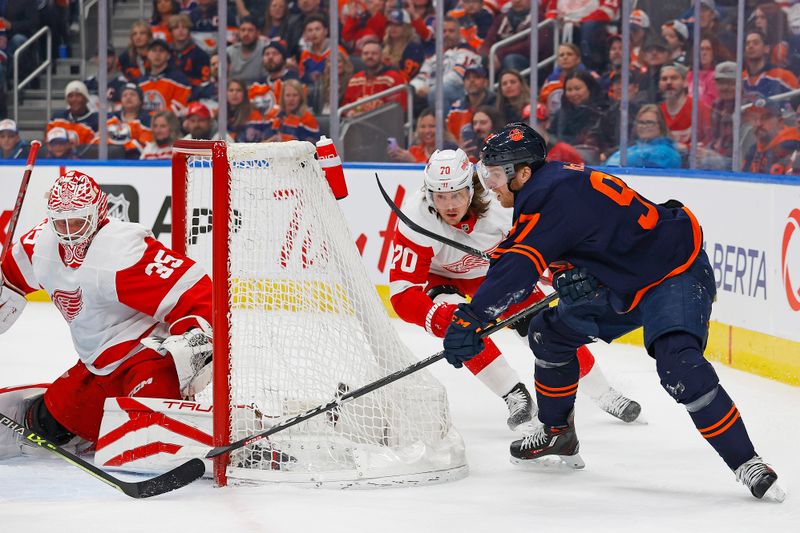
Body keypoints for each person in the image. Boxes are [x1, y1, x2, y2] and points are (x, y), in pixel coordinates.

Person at [441, 121, 785, 502]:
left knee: (679, 365)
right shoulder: (550, 185)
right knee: (548, 333)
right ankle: (558, 434)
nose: (488, 183)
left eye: (495, 174)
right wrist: (574, 270)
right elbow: (584, 235)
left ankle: (747, 462)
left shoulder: (547, 197)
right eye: (484, 173)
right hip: (623, 281)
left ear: (523, 172)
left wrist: (473, 317)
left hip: (674, 272)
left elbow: (519, 268)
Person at [390, 148, 642, 429]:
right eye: (441, 196)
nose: (449, 205)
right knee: (461, 328)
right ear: (428, 193)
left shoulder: (499, 201)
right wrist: (441, 320)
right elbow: (402, 294)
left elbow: (544, 241)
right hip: (441, 279)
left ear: (471, 188)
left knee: (540, 325)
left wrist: (563, 271)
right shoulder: (416, 217)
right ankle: (514, 395)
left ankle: (605, 393)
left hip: (496, 271)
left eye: (457, 195)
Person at [0, 171, 213, 456]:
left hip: (148, 358)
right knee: (45, 427)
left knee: (148, 441)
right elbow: (11, 277)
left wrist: (195, 335)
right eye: (60, 222)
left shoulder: (122, 251)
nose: (68, 232)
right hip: (97, 366)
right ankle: (102, 429)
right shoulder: (40, 245)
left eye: (77, 221)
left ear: (98, 213)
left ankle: (231, 429)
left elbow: (194, 288)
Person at [341, 41, 406, 116]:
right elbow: (346, 106)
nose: (369, 56)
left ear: (382, 57)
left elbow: (398, 109)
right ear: (361, 57)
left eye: (374, 53)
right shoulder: (355, 80)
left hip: (384, 124)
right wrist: (350, 113)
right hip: (357, 124)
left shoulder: (393, 78)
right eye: (366, 53)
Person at [605, 105, 681, 169]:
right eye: (641, 122)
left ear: (660, 125)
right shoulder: (631, 148)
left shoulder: (667, 152)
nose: (644, 126)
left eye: (649, 122)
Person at [136, 39, 193, 116]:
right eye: (154, 50)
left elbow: (179, 107)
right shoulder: (140, 82)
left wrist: (152, 116)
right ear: (148, 54)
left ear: (168, 56)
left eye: (161, 51)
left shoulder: (179, 80)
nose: (157, 54)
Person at [742, 99, 800, 175]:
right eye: (754, 118)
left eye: (765, 118)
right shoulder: (753, 149)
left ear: (780, 122)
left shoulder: (791, 145)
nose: (758, 124)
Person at [446, 65, 496, 144]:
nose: (471, 80)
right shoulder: (455, 108)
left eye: (477, 77)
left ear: (486, 82)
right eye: (467, 78)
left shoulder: (496, 105)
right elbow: (448, 135)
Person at [46, 81, 99, 146]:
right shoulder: (57, 118)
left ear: (86, 98)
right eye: (70, 96)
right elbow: (47, 142)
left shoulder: (97, 120)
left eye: (78, 95)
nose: (74, 99)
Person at [170, 13, 211, 88]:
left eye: (184, 27)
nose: (180, 31)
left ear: (189, 30)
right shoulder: (166, 53)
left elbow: (204, 81)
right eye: (176, 28)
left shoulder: (200, 55)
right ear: (171, 32)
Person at [227, 16, 268, 85]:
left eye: (250, 30)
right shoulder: (229, 52)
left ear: (258, 33)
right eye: (243, 30)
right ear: (238, 32)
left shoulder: (265, 50)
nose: (246, 34)